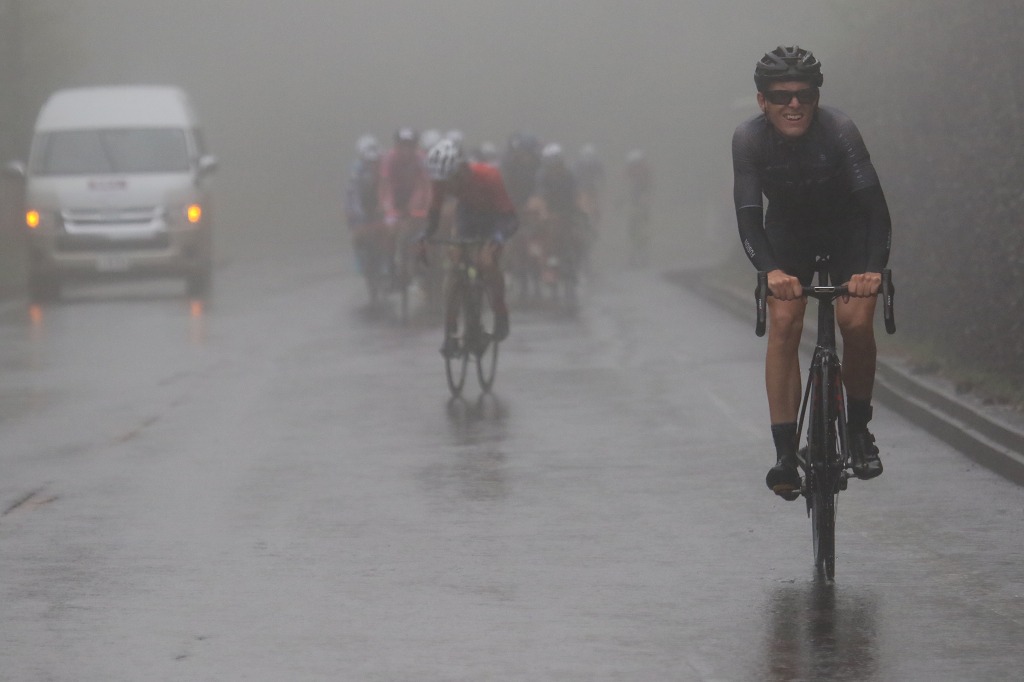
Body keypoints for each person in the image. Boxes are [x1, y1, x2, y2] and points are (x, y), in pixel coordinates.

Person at [731, 46, 892, 498]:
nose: (793, 104)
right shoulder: (748, 139)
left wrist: (872, 271)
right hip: (788, 233)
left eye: (803, 94)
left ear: (817, 97)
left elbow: (877, 212)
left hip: (848, 231)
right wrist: (770, 270)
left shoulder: (840, 131)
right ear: (762, 101)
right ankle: (785, 454)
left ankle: (858, 430)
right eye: (781, 96)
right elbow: (748, 216)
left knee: (855, 322)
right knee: (784, 320)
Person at [418, 139, 518, 355]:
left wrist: (499, 237)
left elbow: (510, 217)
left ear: (462, 168)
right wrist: (425, 236)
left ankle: (500, 312)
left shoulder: (489, 175)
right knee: (454, 268)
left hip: (495, 218)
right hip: (468, 217)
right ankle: (450, 332)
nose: (449, 186)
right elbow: (434, 213)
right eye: (444, 181)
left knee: (486, 261)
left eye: (453, 179)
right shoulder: (441, 181)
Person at [344, 134, 384, 279]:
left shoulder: (383, 166)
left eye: (374, 162)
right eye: (368, 162)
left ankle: (386, 261)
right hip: (359, 206)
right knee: (355, 234)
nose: (371, 164)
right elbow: (352, 194)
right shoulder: (355, 170)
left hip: (379, 206)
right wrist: (356, 212)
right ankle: (360, 261)